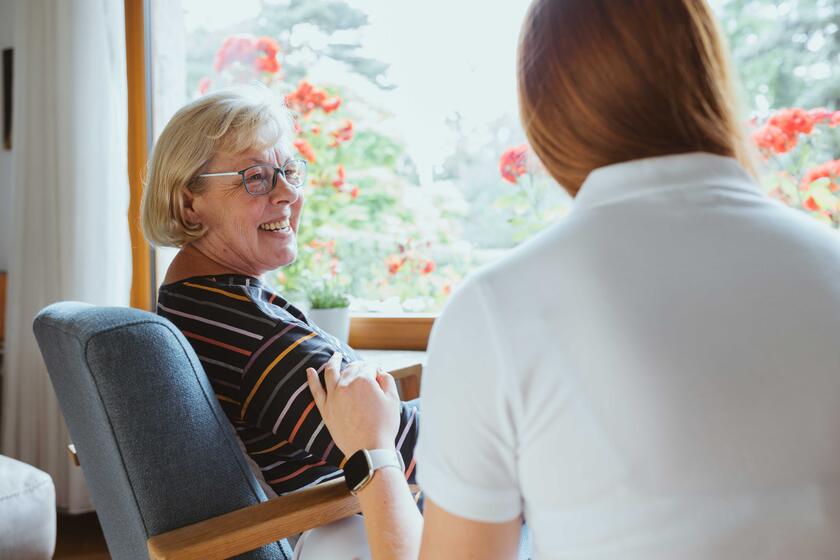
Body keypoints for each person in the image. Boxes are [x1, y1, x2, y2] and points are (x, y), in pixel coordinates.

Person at [306, 0, 840, 558]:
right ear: (709, 79)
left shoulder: (497, 310)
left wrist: (374, 455)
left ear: (545, 111)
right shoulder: (829, 265)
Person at [140, 87, 419, 554]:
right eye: (255, 177)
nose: (289, 192)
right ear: (189, 202)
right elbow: (418, 459)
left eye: (289, 171)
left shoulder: (189, 303)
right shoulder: (261, 343)